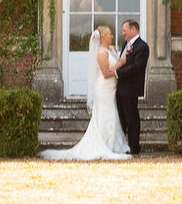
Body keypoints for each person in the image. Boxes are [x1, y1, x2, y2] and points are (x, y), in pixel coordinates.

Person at [38, 24, 131, 161]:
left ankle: (113, 144)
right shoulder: (101, 53)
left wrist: (115, 54)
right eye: (110, 34)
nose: (112, 36)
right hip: (104, 88)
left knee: (112, 114)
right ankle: (104, 144)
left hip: (112, 89)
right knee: (106, 115)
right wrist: (121, 63)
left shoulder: (109, 50)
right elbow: (106, 73)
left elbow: (112, 62)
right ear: (103, 36)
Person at [114, 18, 149, 156]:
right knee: (122, 119)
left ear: (133, 29)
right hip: (121, 88)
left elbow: (136, 67)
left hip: (131, 88)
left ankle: (134, 147)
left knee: (132, 118)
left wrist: (117, 72)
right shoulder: (125, 45)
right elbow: (123, 61)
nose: (123, 33)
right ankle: (123, 146)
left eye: (125, 30)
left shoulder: (142, 47)